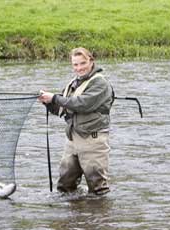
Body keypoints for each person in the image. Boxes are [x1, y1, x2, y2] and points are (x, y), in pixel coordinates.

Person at [39, 47, 114, 195]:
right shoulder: (74, 83)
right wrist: (48, 103)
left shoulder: (100, 83)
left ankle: (100, 217)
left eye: (82, 63)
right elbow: (63, 109)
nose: (79, 68)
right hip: (72, 138)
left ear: (91, 61)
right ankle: (74, 214)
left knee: (98, 187)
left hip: (93, 139)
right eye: (75, 64)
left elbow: (82, 104)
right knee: (65, 184)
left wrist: (54, 97)